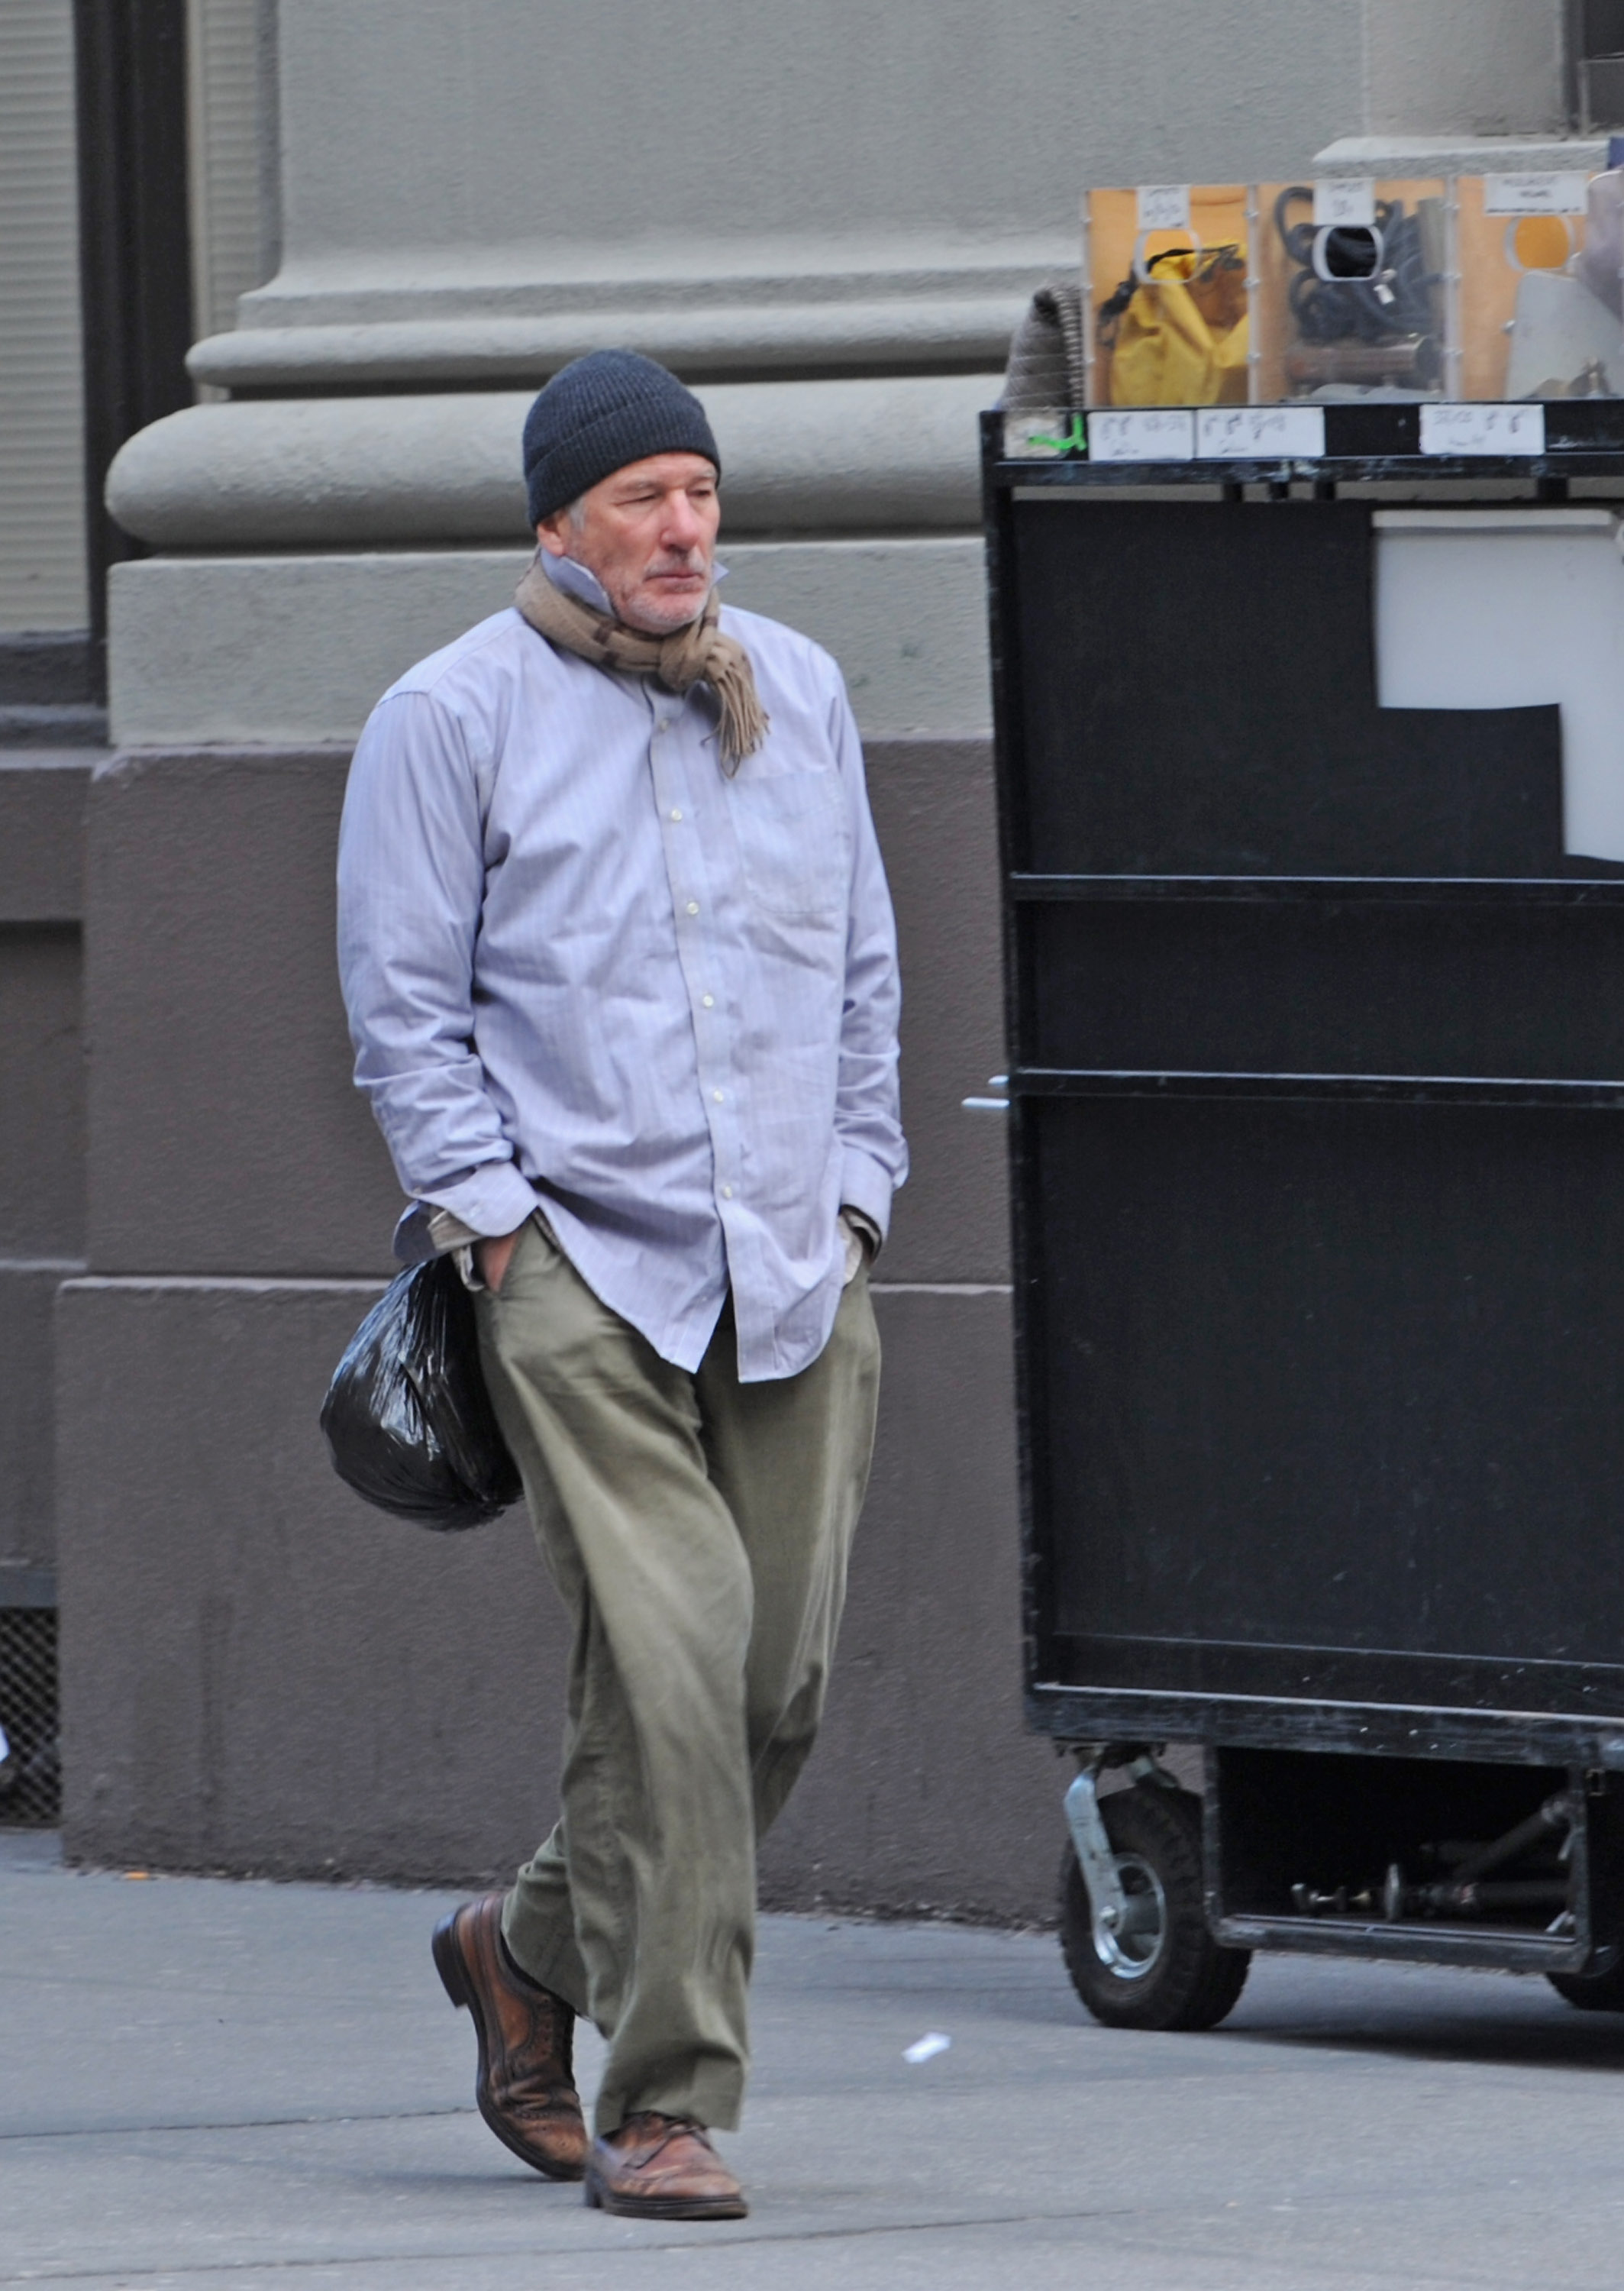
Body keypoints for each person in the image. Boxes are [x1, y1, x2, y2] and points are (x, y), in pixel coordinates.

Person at [336, 351, 906, 2222]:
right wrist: (495, 1223)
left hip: (792, 1268)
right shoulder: (451, 713)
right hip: (581, 1266)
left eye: (701, 492)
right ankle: (666, 2101)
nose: (685, 529)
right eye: (643, 498)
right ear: (555, 523)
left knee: (773, 1683)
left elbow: (860, 979)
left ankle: (522, 1950)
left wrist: (860, 1196)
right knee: (668, 1679)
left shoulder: (795, 689)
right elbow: (406, 1010)